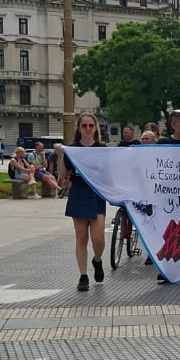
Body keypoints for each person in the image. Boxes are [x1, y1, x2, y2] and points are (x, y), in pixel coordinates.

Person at [61, 112, 107, 292]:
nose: (88, 129)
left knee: (98, 239)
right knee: (81, 238)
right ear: (79, 128)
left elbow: (110, 171)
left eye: (91, 126)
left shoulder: (102, 149)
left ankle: (97, 259)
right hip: (79, 194)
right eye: (84, 126)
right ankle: (83, 275)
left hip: (96, 195)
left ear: (95, 128)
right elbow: (63, 175)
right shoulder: (72, 149)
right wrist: (61, 154)